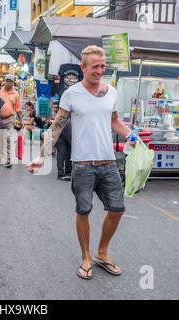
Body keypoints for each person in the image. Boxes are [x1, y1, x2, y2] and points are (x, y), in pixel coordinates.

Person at [28, 45, 135, 280]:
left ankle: (102, 252)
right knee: (83, 210)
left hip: (108, 162)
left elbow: (114, 121)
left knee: (117, 209)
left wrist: (130, 134)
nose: (99, 70)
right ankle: (86, 256)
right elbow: (57, 126)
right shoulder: (71, 94)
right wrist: (42, 156)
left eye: (102, 66)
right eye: (94, 66)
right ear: (83, 68)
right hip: (83, 164)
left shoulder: (112, 92)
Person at [0, 74, 23, 169]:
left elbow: (18, 108)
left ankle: (7, 159)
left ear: (13, 82)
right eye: (7, 80)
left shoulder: (15, 94)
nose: (8, 82)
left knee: (7, 139)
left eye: (10, 81)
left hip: (9, 119)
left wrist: (20, 120)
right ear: (5, 81)